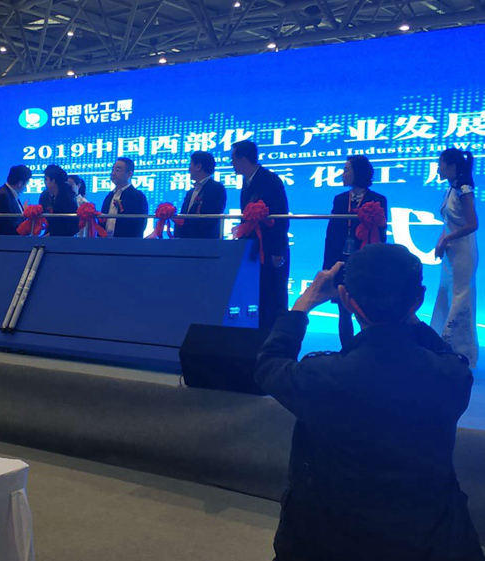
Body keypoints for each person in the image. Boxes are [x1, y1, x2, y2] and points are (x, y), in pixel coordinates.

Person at [256, 244, 483, 561]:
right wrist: (407, 314)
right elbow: (445, 355)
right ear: (418, 300)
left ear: (346, 298)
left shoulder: (319, 376)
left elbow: (269, 364)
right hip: (430, 542)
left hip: (322, 543)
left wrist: (303, 304)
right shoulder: (451, 377)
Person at [323, 155, 387, 347]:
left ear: (358, 172)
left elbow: (381, 235)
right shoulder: (340, 199)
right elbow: (332, 234)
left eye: (346, 170)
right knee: (343, 310)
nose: (342, 174)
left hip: (366, 261)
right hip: (341, 259)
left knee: (366, 308)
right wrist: (328, 267)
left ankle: (368, 349)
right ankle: (347, 350)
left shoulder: (378, 200)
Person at [231, 140, 289, 329]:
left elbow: (281, 217)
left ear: (243, 159)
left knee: (275, 294)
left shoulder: (269, 180)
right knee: (258, 294)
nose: (231, 164)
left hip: (271, 247)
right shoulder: (247, 182)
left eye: (233, 159)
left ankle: (279, 334)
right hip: (253, 247)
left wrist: (277, 250)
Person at [431, 148, 479, 368]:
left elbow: (472, 224)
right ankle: (443, 344)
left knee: (461, 296)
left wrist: (447, 239)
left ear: (451, 166)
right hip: (452, 251)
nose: (438, 169)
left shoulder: (464, 190)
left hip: (463, 252)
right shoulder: (450, 189)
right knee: (446, 293)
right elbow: (448, 223)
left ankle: (461, 350)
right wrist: (441, 240)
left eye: (441, 164)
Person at [175, 151, 227, 239]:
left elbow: (210, 218)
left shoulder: (216, 188)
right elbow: (184, 215)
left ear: (198, 167)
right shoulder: (191, 192)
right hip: (185, 240)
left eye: (190, 165)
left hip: (204, 241)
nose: (189, 169)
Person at [100, 157, 149, 238]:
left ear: (129, 174)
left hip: (126, 243)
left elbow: (140, 224)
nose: (113, 173)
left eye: (117, 170)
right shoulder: (109, 196)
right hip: (105, 242)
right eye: (112, 170)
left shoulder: (137, 196)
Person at [0, 165, 31, 235]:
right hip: (9, 239)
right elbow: (9, 223)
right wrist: (25, 215)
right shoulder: (3, 196)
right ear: (20, 183)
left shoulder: (9, 192)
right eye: (26, 183)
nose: (26, 187)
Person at [43, 165, 79, 237]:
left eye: (46, 179)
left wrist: (51, 234)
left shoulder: (68, 199)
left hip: (63, 240)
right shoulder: (47, 196)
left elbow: (70, 226)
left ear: (53, 181)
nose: (45, 182)